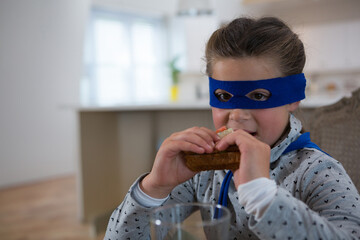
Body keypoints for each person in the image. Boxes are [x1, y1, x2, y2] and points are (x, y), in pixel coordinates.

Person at [104, 17, 360, 240]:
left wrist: (262, 196)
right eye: (224, 97)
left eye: (259, 96)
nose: (236, 115)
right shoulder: (203, 170)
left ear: (293, 98)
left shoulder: (318, 172)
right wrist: (153, 188)